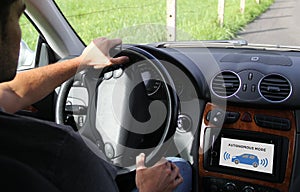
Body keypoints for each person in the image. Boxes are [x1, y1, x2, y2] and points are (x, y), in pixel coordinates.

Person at [0, 0, 191, 191]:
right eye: (18, 18)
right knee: (179, 168)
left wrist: (81, 62)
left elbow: (12, 92)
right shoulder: (60, 153)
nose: (20, 33)